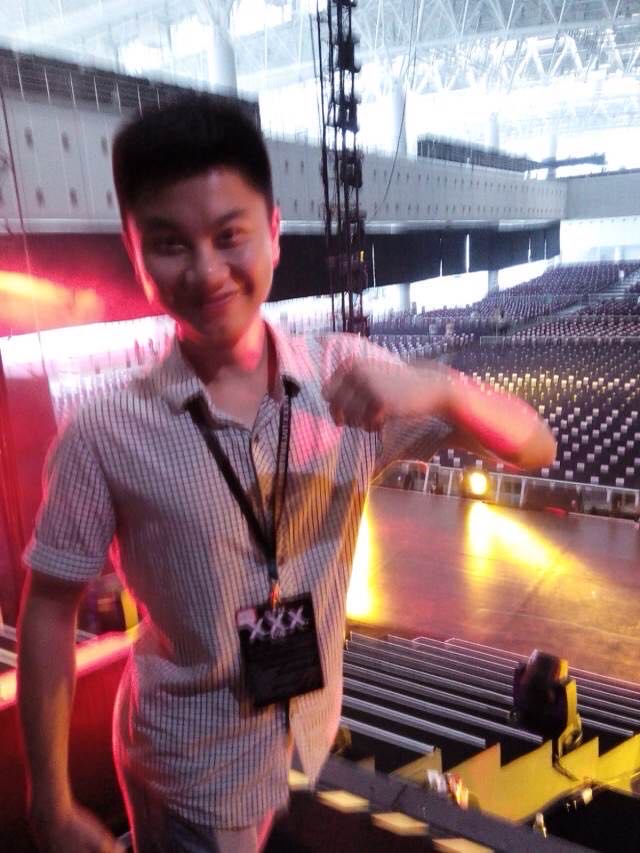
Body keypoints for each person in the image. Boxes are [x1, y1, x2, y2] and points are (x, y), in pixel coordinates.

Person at [17, 94, 556, 853]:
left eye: (228, 235)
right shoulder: (105, 433)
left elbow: (535, 448)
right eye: (169, 244)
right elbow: (48, 607)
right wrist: (49, 802)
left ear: (273, 233)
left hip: (297, 735)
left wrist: (436, 387)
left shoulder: (348, 377)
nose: (206, 270)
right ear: (135, 256)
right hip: (189, 768)